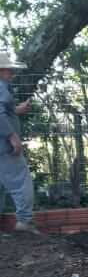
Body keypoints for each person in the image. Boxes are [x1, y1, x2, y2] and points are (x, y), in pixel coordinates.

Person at [0, 51, 37, 234]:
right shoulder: (0, 86)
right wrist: (12, 137)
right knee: (21, 181)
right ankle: (25, 222)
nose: (12, 74)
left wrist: (16, 110)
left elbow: (3, 111)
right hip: (4, 147)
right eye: (8, 70)